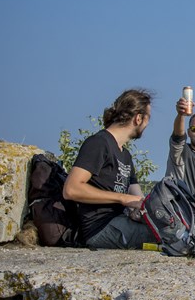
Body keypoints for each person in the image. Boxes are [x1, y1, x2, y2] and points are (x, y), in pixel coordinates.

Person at [63, 88, 157, 249]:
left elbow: (138, 198)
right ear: (138, 118)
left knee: (168, 230)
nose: (147, 124)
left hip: (120, 220)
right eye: (148, 118)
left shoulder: (125, 155)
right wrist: (122, 198)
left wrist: (140, 210)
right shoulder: (99, 143)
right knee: (167, 239)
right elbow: (71, 189)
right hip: (100, 228)